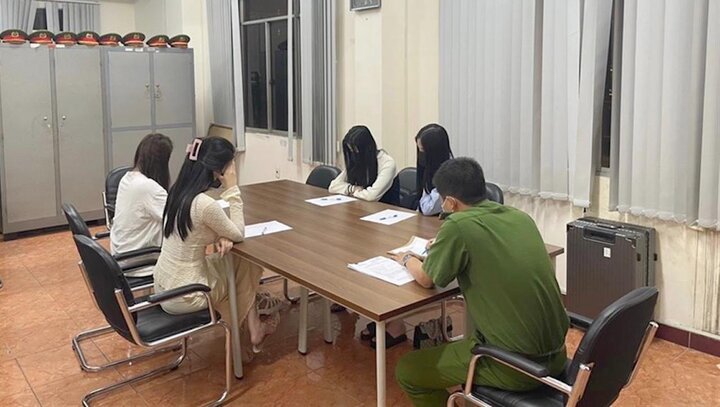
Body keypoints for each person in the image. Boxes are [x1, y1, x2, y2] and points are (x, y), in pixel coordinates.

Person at [392, 157, 569, 407]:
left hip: (515, 366)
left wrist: (408, 257)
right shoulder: (519, 217)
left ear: (451, 202)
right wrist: (445, 243)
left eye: (443, 200)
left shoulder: (458, 225)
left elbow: (427, 278)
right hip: (558, 356)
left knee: (408, 370)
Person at [153, 136, 279, 355]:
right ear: (221, 168)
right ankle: (247, 332)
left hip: (164, 285)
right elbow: (239, 233)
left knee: (235, 260)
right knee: (245, 266)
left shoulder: (177, 193)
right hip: (187, 293)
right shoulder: (204, 204)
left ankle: (250, 325)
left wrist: (222, 235)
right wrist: (233, 189)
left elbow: (201, 232)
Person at [110, 133, 173, 277]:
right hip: (140, 262)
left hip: (121, 255)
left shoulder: (127, 178)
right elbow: (178, 221)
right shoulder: (148, 187)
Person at [329, 125, 398, 203]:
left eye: (355, 149)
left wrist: (351, 192)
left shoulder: (387, 163)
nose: (353, 154)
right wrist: (352, 189)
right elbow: (333, 186)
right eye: (351, 150)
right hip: (359, 207)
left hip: (383, 209)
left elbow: (372, 196)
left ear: (366, 147)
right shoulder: (357, 160)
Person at [415, 124, 453, 216]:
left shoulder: (449, 174)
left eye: (423, 150)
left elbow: (428, 208)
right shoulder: (429, 167)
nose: (421, 154)